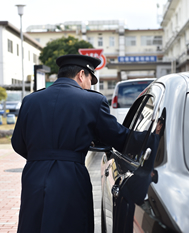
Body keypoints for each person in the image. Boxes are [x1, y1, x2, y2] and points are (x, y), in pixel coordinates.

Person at [11, 54, 130, 233]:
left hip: (33, 175)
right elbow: (119, 137)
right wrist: (152, 137)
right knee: (72, 225)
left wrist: (41, 159)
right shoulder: (93, 101)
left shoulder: (30, 100)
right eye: (91, 79)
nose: (90, 85)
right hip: (71, 177)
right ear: (81, 74)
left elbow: (17, 143)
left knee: (34, 224)